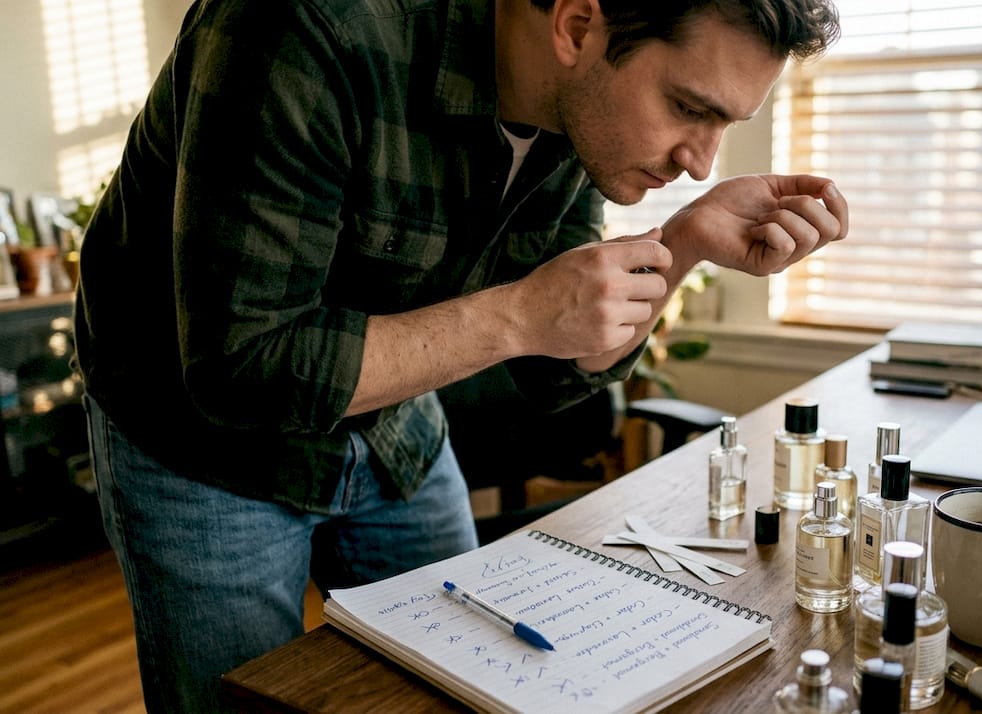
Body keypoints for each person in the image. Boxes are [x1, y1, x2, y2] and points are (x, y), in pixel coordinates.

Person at [72, 0, 846, 710]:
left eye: (725, 123)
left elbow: (553, 367)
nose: (702, 163)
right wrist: (515, 314)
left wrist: (681, 246)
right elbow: (244, 371)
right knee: (247, 706)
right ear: (578, 26)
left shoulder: (576, 108)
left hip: (395, 426)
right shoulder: (302, 28)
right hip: (198, 444)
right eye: (687, 108)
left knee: (469, 684)